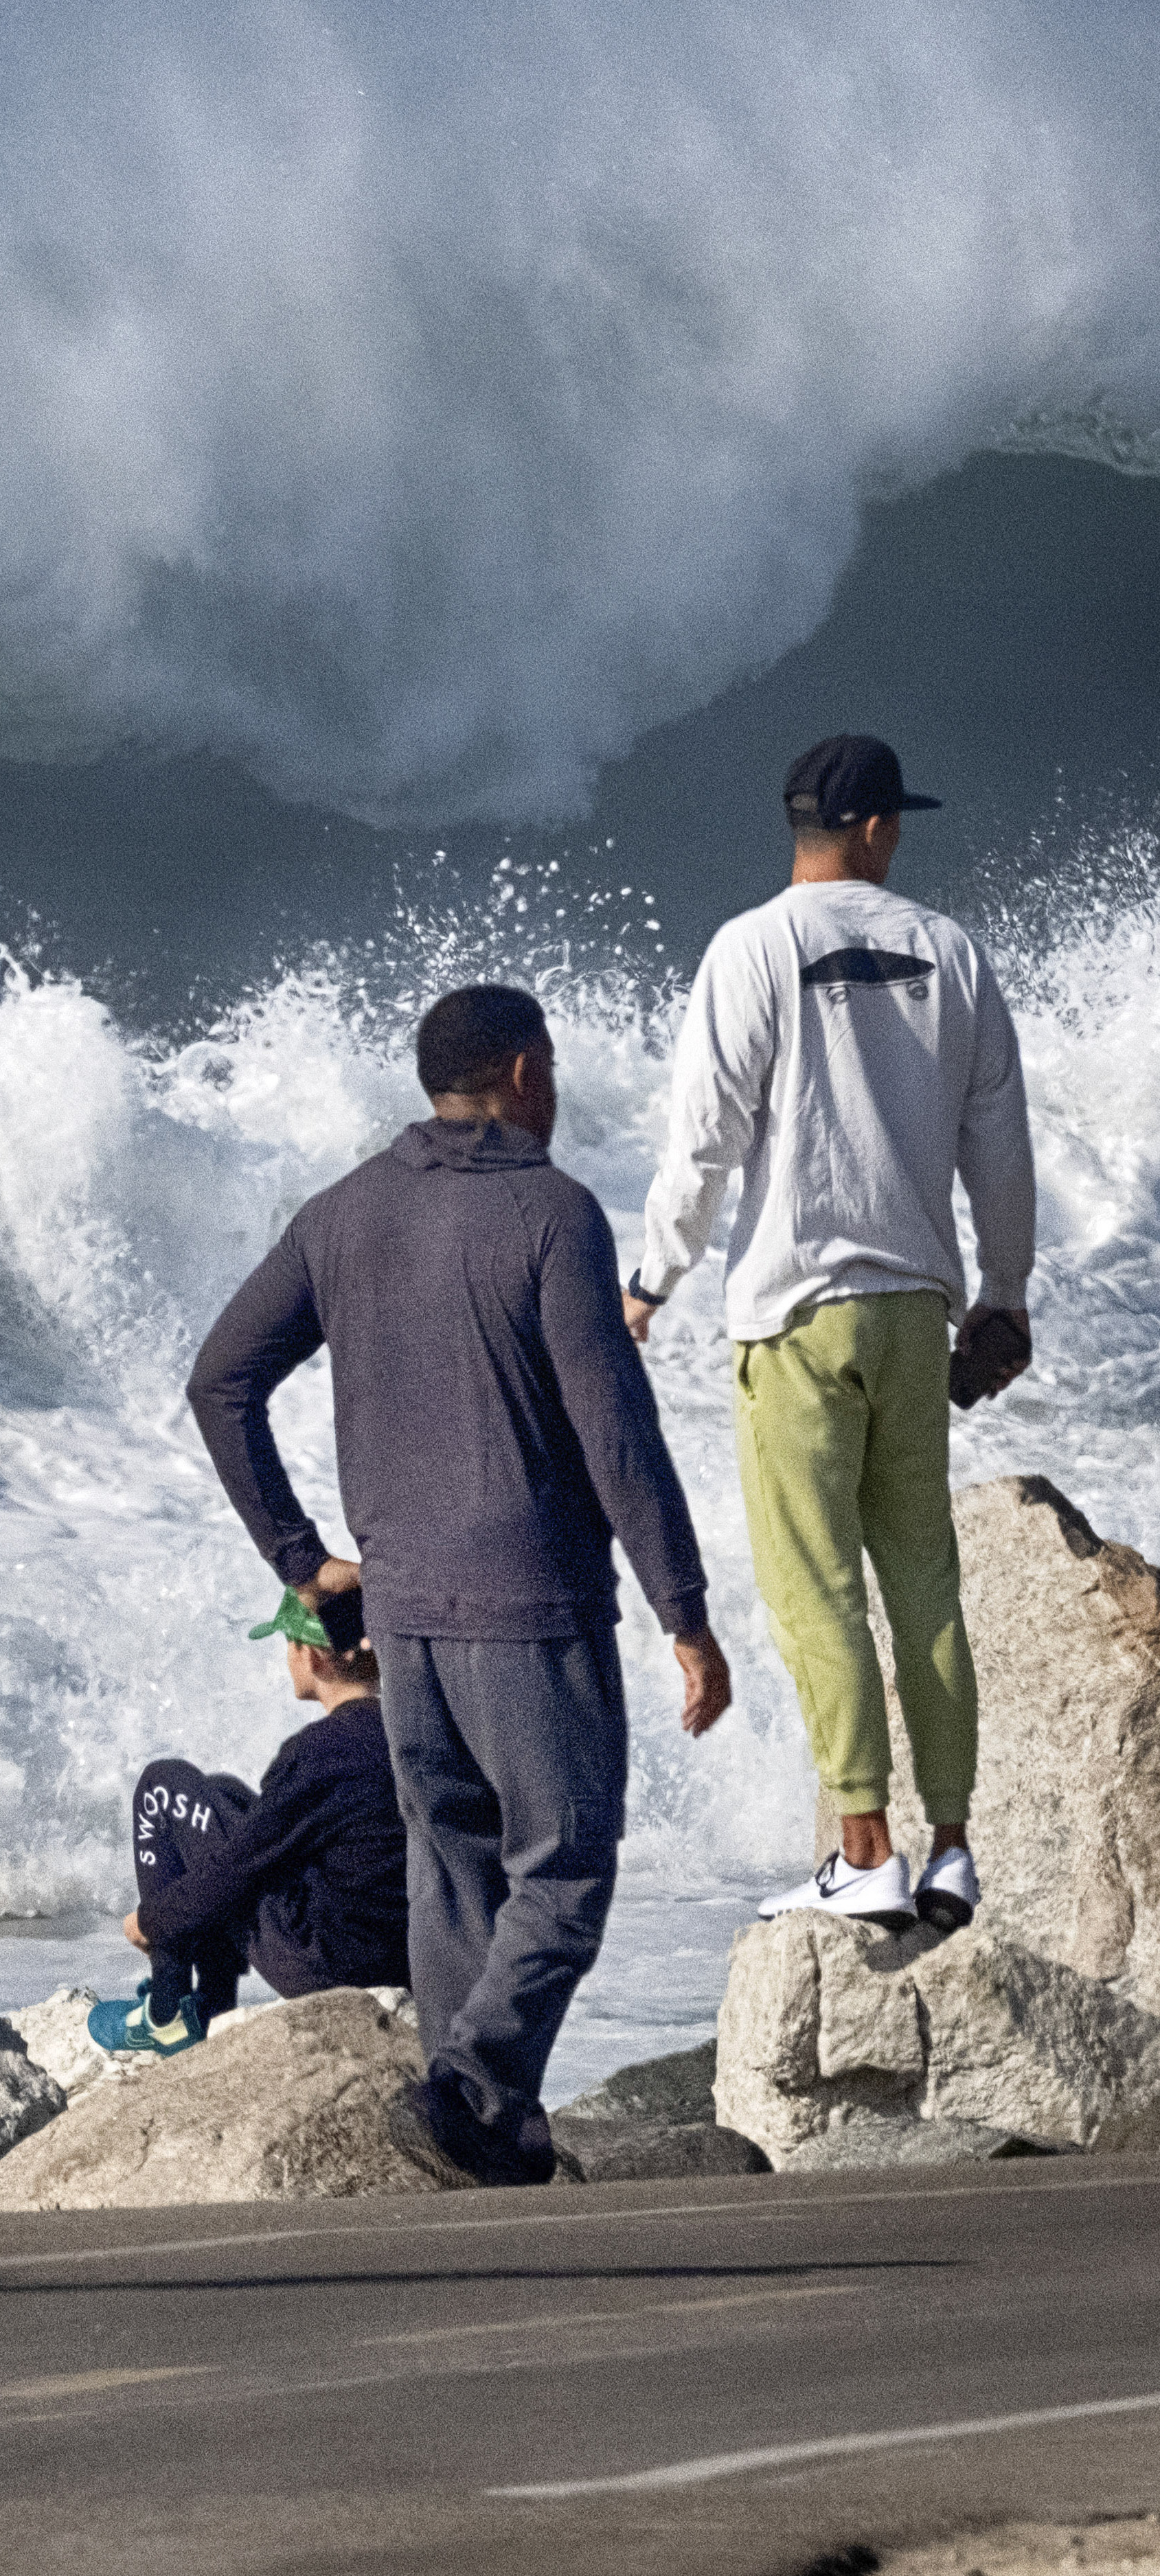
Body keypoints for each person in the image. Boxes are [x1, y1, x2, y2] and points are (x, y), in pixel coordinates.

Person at [190, 985, 733, 2187]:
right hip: (530, 1603)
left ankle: (479, 2137)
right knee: (567, 1859)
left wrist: (299, 1558)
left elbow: (218, 1381)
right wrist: (683, 1611)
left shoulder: (341, 1212)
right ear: (527, 1072)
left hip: (403, 1612)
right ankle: (468, 2086)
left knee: (455, 1864)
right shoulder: (551, 1212)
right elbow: (614, 1430)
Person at [628, 733, 1035, 1933]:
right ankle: (950, 1845)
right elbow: (997, 1142)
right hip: (914, 1306)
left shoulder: (751, 945)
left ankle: (865, 1847)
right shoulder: (950, 953)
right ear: (877, 827)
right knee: (923, 1579)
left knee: (814, 1590)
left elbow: (705, 1133)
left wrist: (653, 1273)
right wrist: (1002, 1293)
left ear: (803, 823)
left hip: (796, 1310)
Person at [89, 1580, 409, 2056]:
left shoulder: (321, 1752)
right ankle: (213, 2004)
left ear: (313, 1656)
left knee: (163, 1783)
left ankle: (166, 2012)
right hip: (399, 1959)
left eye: (289, 1643)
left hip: (327, 1964)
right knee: (224, 1794)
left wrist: (152, 1922)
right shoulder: (411, 1737)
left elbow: (236, 1867)